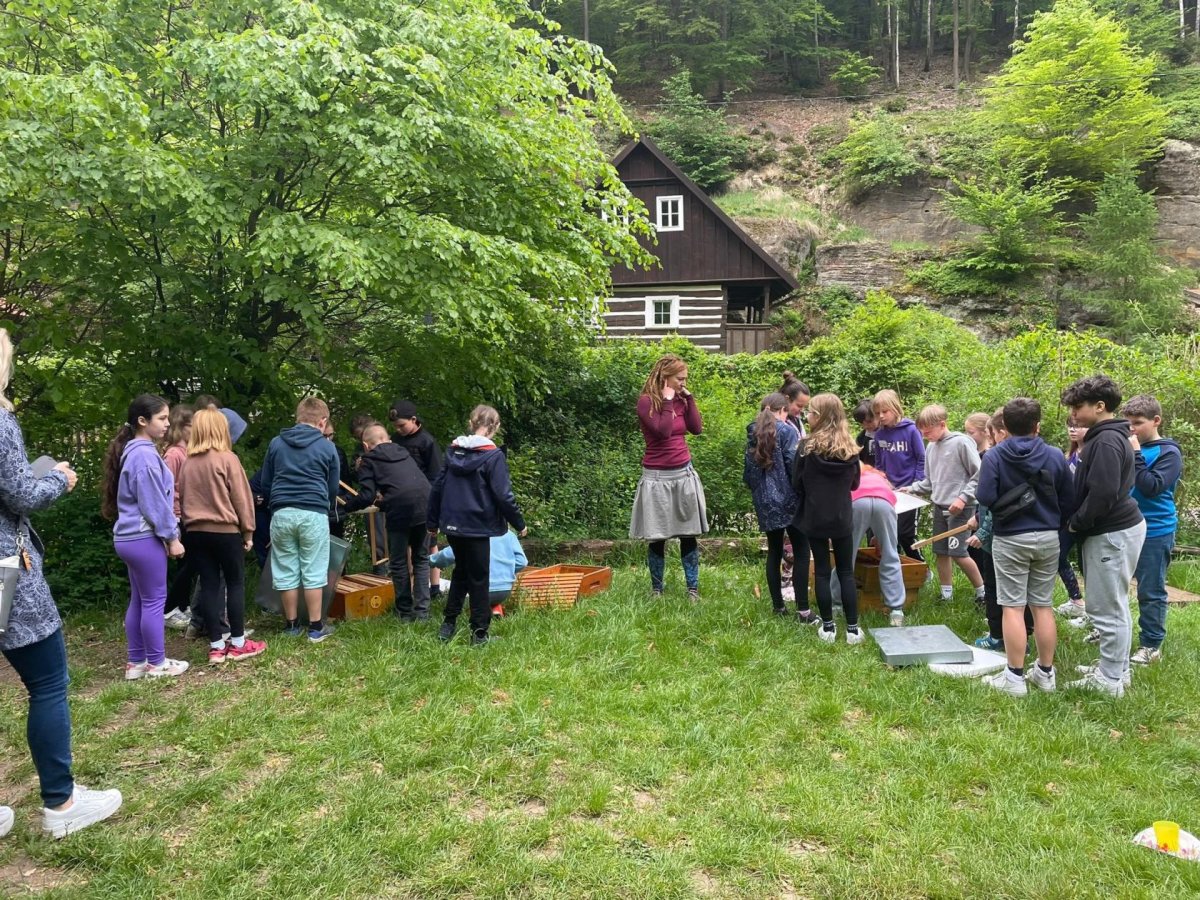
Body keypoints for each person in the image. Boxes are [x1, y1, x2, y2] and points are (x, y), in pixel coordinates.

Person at [0, 329, 123, 838]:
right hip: (7, 570)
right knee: (48, 681)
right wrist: (58, 479)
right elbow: (21, 494)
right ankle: (62, 803)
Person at [975, 398, 1073, 697]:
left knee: (1013, 607)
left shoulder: (994, 456)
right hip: (1048, 537)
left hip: (1010, 538)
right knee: (1042, 606)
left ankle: (1015, 678)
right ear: (1037, 426)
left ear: (1005, 426)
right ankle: (1045, 673)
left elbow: (985, 496)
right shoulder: (1054, 455)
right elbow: (1069, 499)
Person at [1061, 375, 1146, 697]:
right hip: (1114, 530)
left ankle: (1109, 680)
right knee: (1114, 604)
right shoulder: (1106, 436)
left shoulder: (1107, 441)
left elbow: (1104, 493)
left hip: (1111, 532)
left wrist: (1076, 523)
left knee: (1105, 608)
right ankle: (1117, 669)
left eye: (1078, 406)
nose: (1073, 413)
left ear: (1100, 406)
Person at [102, 394, 189, 679]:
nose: (167, 424)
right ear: (142, 420)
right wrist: (172, 538)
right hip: (143, 538)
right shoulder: (144, 455)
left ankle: (136, 663)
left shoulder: (134, 451)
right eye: (162, 418)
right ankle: (157, 663)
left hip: (128, 538)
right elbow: (154, 504)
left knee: (140, 600)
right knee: (154, 601)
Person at [427, 405, 527, 645]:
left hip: (453, 525)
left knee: (461, 571)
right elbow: (503, 495)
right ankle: (480, 633)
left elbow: (437, 487)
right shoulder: (493, 456)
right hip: (478, 526)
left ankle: (448, 625)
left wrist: (432, 522)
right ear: (496, 426)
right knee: (480, 577)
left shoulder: (453, 452)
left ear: (471, 424)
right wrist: (519, 523)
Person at [177, 409, 265, 665]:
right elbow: (242, 499)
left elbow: (182, 498)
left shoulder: (188, 463)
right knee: (235, 583)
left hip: (195, 532)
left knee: (209, 585)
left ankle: (216, 646)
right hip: (225, 532)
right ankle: (238, 643)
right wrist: (248, 531)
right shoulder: (228, 459)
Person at [261, 397, 341, 643]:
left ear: (298, 418)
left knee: (285, 568)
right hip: (313, 513)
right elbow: (332, 488)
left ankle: (291, 625)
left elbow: (265, 482)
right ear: (322, 421)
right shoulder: (327, 447)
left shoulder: (276, 443)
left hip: (282, 512)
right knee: (314, 568)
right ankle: (316, 627)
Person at [629, 355, 708, 600]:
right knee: (657, 536)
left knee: (688, 533)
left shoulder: (681, 400)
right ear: (665, 378)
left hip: (683, 473)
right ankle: (657, 590)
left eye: (685, 379)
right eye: (680, 379)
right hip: (657, 478)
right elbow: (663, 432)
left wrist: (689, 398)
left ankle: (692, 589)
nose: (684, 383)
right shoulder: (646, 402)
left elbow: (696, 428)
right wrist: (666, 400)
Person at [792, 393, 863, 645]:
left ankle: (828, 627)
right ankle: (853, 629)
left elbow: (796, 483)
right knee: (846, 571)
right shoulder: (851, 448)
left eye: (810, 412)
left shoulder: (806, 447)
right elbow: (855, 484)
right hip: (842, 516)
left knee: (822, 572)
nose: (807, 416)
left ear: (819, 417)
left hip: (815, 516)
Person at [344, 424, 433, 621]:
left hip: (400, 510)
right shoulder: (403, 451)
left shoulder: (368, 460)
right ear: (388, 440)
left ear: (366, 446)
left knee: (399, 562)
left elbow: (367, 496)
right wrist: (384, 503)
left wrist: (347, 507)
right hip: (426, 503)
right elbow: (404, 486)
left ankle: (405, 612)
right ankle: (423, 612)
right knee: (421, 559)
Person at [1122, 394, 1182, 667]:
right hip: (1124, 526)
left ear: (1156, 420)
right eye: (1128, 423)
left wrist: (1135, 454)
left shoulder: (1168, 453)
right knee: (1116, 585)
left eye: (1138, 423)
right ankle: (1114, 631)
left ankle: (1151, 644)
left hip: (1155, 530)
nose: (1132, 429)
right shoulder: (1128, 447)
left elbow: (1151, 486)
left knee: (1150, 590)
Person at [968, 409, 1034, 651]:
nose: (990, 438)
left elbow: (990, 498)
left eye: (991, 434)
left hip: (1000, 537)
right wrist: (978, 516)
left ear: (1001, 433)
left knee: (996, 589)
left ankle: (998, 636)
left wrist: (983, 532)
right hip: (1026, 533)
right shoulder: (1036, 455)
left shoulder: (994, 457)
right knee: (1022, 590)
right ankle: (1023, 636)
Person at [905, 405, 985, 603]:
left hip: (961, 509)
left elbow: (980, 475)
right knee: (941, 551)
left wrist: (963, 498)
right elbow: (929, 482)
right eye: (923, 433)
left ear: (942, 424)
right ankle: (946, 594)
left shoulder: (961, 443)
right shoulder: (931, 447)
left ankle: (983, 593)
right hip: (940, 507)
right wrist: (910, 489)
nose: (925, 436)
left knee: (958, 553)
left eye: (928, 431)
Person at [743, 393, 810, 620]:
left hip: (764, 501)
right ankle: (803, 610)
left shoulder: (753, 432)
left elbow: (748, 474)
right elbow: (793, 466)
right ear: (780, 410)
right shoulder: (786, 431)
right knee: (802, 551)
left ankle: (778, 607)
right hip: (789, 499)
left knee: (774, 551)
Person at [388, 400, 444, 595]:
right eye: (395, 426)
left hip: (425, 501)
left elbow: (437, 476)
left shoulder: (427, 442)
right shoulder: (395, 440)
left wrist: (433, 503)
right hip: (402, 501)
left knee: (430, 544)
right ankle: (412, 588)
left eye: (401, 425)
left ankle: (435, 586)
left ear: (413, 420)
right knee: (408, 546)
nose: (398, 429)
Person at [848, 464, 906, 626]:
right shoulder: (880, 477)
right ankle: (896, 610)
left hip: (857, 502)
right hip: (885, 503)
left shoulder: (852, 475)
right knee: (890, 554)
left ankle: (837, 604)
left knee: (846, 556)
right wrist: (880, 538)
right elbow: (879, 507)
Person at [871, 390, 926, 561]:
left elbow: (921, 457)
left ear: (895, 408)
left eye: (884, 411)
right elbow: (879, 464)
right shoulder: (879, 434)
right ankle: (898, 568)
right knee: (889, 533)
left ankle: (921, 567)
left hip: (909, 490)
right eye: (877, 413)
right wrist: (883, 481)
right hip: (890, 490)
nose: (881, 416)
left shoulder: (911, 430)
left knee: (905, 534)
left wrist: (916, 484)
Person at [430, 528, 527, 618]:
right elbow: (522, 562)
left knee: (464, 572)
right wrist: (507, 570)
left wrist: (429, 560)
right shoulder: (508, 534)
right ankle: (495, 610)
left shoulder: (471, 533)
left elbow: (448, 555)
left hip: (479, 589)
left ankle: (474, 613)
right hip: (504, 589)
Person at [162, 404, 195, 629]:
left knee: (189, 562)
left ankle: (183, 605)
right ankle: (169, 608)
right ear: (181, 427)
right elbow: (166, 487)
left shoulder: (188, 452)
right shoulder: (173, 454)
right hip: (177, 514)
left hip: (188, 512)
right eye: (192, 425)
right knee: (187, 563)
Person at [1053, 417, 1087, 619]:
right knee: (1058, 556)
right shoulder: (1070, 454)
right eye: (1070, 426)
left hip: (1084, 518)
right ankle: (1077, 600)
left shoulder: (1092, 452)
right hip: (1067, 517)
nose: (1073, 430)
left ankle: (1088, 607)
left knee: (1086, 565)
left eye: (1079, 425)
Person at [779, 373, 811, 437]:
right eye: (799, 406)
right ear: (787, 399)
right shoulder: (774, 423)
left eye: (804, 407)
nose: (802, 410)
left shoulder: (795, 419)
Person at [853, 399, 876, 465]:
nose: (865, 426)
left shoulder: (888, 434)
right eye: (861, 423)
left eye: (869, 421)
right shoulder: (861, 438)